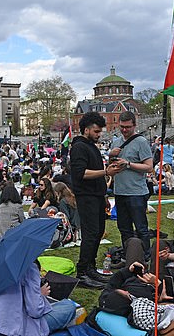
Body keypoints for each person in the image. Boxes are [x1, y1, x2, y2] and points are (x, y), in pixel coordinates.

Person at [70, 111, 122, 288]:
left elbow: (96, 172)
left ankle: (90, 268)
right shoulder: (79, 147)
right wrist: (106, 172)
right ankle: (83, 271)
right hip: (86, 196)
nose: (99, 135)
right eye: (96, 131)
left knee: (98, 231)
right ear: (86, 130)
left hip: (97, 195)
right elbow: (80, 173)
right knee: (90, 234)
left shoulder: (91, 146)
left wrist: (104, 194)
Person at [0, 260, 77, 335]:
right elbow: (35, 311)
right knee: (68, 306)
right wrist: (40, 294)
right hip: (13, 330)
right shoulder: (29, 267)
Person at [108, 111, 154, 260]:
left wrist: (128, 164)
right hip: (120, 191)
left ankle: (145, 255)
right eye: (122, 127)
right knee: (124, 228)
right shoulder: (115, 143)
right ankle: (129, 255)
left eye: (128, 127)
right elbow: (111, 166)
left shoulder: (141, 142)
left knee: (141, 228)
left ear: (134, 125)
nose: (124, 130)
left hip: (136, 192)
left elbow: (149, 167)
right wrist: (111, 157)